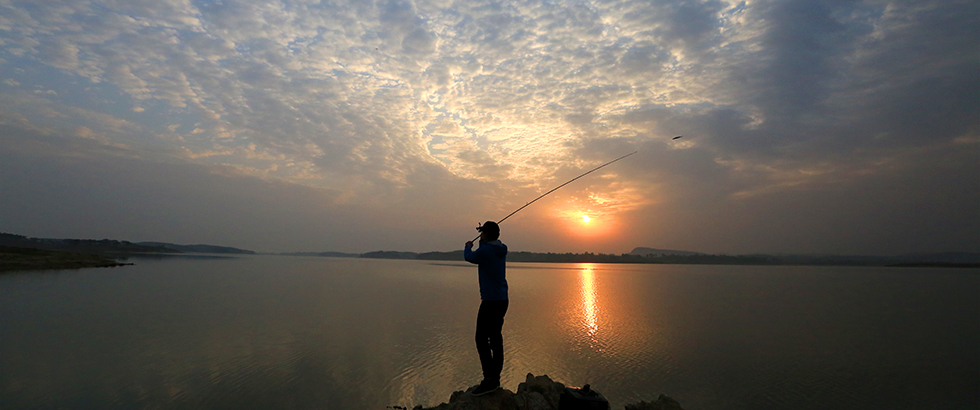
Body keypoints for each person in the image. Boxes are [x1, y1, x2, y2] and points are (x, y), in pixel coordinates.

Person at [464, 221, 509, 396]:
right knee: (495, 338)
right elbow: (484, 251)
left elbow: (470, 257)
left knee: (481, 339)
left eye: (482, 233)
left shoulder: (486, 251)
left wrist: (468, 246)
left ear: (487, 235)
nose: (480, 235)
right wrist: (483, 240)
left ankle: (489, 380)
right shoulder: (500, 248)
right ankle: (494, 378)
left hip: (490, 301)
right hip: (502, 299)